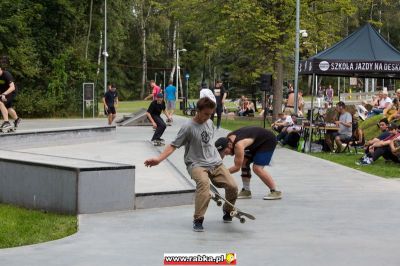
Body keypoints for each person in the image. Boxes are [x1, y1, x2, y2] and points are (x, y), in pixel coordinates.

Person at [144, 97, 238, 232]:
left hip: (215, 163)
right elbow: (173, 145)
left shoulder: (210, 122)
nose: (208, 117)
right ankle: (198, 219)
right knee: (204, 186)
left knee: (233, 187)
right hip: (196, 164)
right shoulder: (188, 127)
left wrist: (219, 157)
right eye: (206, 114)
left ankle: (228, 211)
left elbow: (209, 144)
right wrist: (159, 159)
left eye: (210, 114)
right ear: (198, 111)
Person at [215, 126, 282, 200]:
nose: (226, 155)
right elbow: (220, 157)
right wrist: (214, 169)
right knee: (244, 162)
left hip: (267, 140)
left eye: (225, 152)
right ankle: (246, 191)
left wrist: (220, 173)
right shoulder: (227, 140)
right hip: (255, 142)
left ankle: (275, 191)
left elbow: (237, 168)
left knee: (257, 168)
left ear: (230, 145)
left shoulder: (239, 145)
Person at [0, 66, 21, 131]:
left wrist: (4, 94)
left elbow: (12, 87)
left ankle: (6, 122)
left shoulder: (6, 74)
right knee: (8, 107)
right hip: (4, 92)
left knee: (1, 103)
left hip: (11, 91)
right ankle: (16, 119)